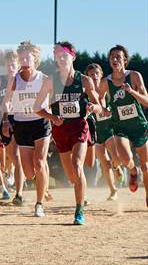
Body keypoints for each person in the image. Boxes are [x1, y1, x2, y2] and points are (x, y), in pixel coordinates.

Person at [33, 41, 102, 225]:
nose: (61, 58)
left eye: (65, 55)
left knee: (77, 164)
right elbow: (36, 108)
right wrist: (51, 117)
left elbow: (99, 106)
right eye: (58, 56)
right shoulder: (50, 81)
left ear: (73, 57)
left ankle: (79, 210)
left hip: (79, 126)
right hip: (60, 130)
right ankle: (81, 191)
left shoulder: (84, 80)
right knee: (72, 175)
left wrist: (91, 106)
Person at [3, 41, 51, 217]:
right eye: (21, 57)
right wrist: (6, 120)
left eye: (27, 57)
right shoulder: (14, 80)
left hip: (41, 122)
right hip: (22, 124)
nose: (24, 60)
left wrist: (53, 116)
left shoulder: (44, 79)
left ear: (35, 58)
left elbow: (53, 101)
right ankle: (42, 177)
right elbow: (6, 101)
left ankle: (39, 204)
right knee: (30, 173)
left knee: (39, 162)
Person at [99, 45, 147, 208]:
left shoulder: (134, 76)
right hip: (120, 126)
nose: (115, 59)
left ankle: (147, 196)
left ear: (125, 60)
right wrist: (104, 109)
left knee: (146, 165)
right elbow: (100, 100)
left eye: (118, 56)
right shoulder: (106, 82)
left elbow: (146, 101)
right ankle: (133, 171)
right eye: (112, 56)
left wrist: (132, 92)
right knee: (125, 158)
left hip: (139, 126)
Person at [0, 49, 23, 202]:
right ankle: (8, 188)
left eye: (13, 65)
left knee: (20, 157)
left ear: (19, 65)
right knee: (7, 157)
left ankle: (20, 190)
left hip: (21, 121)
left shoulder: (23, 80)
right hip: (1, 122)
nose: (11, 68)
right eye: (8, 65)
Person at [85, 64, 122, 200]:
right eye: (91, 74)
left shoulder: (107, 89)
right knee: (104, 163)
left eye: (96, 74)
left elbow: (117, 103)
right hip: (96, 133)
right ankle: (113, 191)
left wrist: (109, 109)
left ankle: (117, 166)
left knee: (116, 157)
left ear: (101, 75)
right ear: (87, 78)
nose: (94, 76)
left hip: (109, 129)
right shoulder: (86, 93)